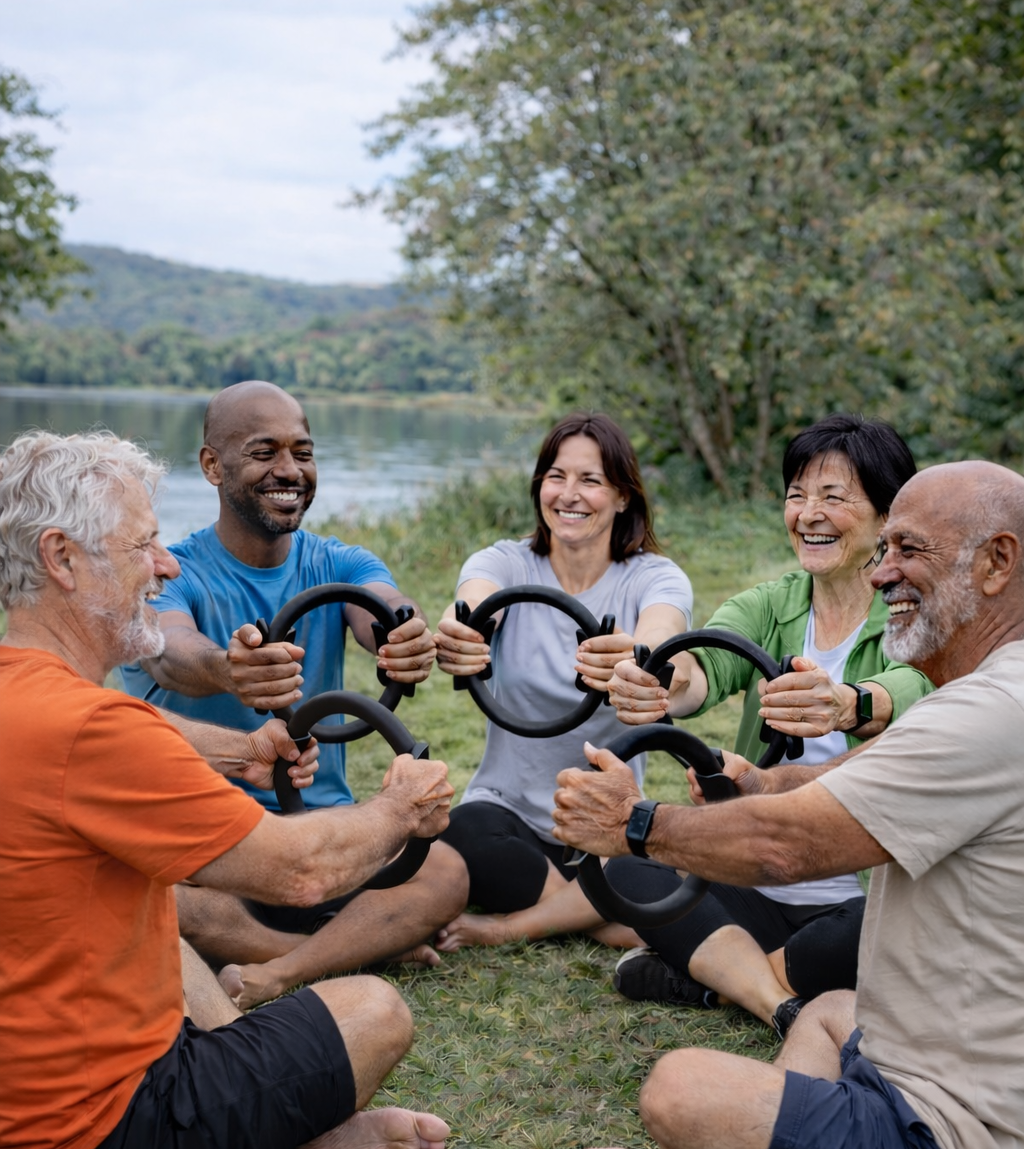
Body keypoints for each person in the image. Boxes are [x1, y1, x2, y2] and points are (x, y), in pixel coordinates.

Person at [553, 460, 1024, 1149]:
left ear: (996, 563)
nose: (883, 573)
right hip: (939, 1065)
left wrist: (634, 826)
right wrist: (766, 778)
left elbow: (787, 845)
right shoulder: (988, 690)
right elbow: (850, 775)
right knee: (833, 1010)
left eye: (908, 549)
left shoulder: (992, 709)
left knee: (681, 1090)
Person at [0, 430, 453, 1149]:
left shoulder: (30, 697)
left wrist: (244, 749)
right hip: (82, 1145)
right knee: (373, 1011)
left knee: (157, 917)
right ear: (62, 560)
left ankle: (265, 1105)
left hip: (25, 1108)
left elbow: (137, 738)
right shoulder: (91, 729)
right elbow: (299, 871)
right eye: (143, 544)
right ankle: (297, 1130)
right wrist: (398, 809)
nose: (166, 564)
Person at [121, 380, 467, 1008]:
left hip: (319, 834)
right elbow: (169, 652)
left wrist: (404, 635)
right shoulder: (172, 571)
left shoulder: (340, 560)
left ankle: (278, 969)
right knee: (168, 901)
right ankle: (339, 949)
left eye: (302, 452)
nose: (289, 470)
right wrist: (230, 669)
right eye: (263, 452)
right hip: (218, 853)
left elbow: (380, 608)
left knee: (445, 871)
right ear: (211, 465)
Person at [605, 414, 931, 1035]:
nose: (808, 513)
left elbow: (918, 690)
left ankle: (718, 977)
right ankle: (776, 997)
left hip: (854, 897)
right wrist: (659, 681)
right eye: (796, 495)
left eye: (833, 497)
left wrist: (850, 702)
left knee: (889, 927)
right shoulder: (768, 604)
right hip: (753, 872)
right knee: (629, 868)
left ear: (888, 518)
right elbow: (703, 666)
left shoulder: (914, 610)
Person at [432, 412, 693, 952]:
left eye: (591, 480)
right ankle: (600, 917)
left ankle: (517, 925)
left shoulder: (654, 576)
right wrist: (464, 631)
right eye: (557, 476)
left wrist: (637, 660)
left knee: (639, 866)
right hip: (508, 815)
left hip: (603, 819)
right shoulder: (505, 562)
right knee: (464, 830)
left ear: (623, 497)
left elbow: (663, 639)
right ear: (539, 486)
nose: (569, 494)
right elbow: (475, 604)